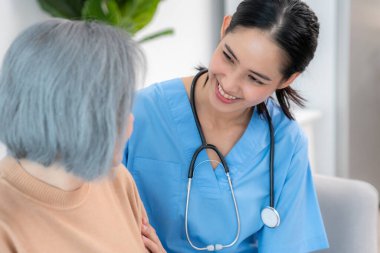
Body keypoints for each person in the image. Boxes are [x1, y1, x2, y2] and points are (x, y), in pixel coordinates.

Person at [124, 0, 329, 252]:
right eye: (228, 57)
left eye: (254, 78)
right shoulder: (137, 114)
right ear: (225, 27)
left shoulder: (287, 142)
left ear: (287, 79)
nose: (230, 84)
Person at [0, 19, 165, 253]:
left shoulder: (117, 180)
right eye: (117, 107)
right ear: (74, 115)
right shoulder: (6, 228)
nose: (130, 120)